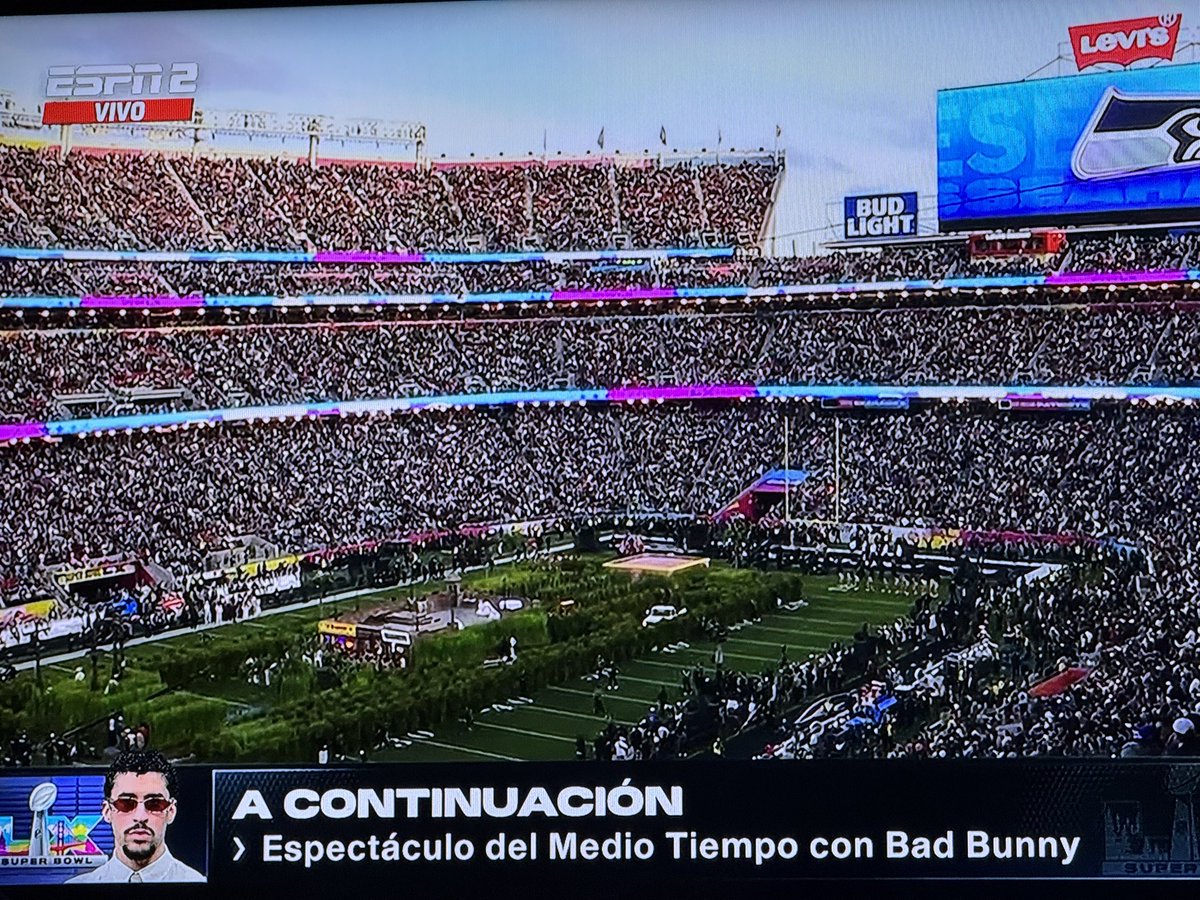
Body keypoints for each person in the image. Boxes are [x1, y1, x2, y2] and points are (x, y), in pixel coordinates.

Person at [67, 749, 205, 883]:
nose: (140, 817)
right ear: (107, 811)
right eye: (126, 803)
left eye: (154, 804)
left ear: (171, 811)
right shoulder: (72, 892)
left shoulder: (200, 888)